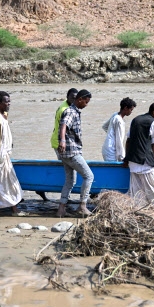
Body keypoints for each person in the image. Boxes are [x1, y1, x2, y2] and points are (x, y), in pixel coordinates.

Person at [56, 89, 93, 217]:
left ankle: (61, 209)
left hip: (67, 153)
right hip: (71, 151)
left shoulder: (73, 111)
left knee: (70, 181)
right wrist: (62, 140)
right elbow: (64, 125)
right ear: (80, 99)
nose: (86, 105)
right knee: (89, 176)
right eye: (86, 102)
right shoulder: (71, 111)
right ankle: (82, 205)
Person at [124, 102, 154, 208]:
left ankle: (140, 207)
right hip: (145, 160)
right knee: (153, 187)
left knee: (137, 188)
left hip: (133, 160)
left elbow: (128, 141)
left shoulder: (135, 119)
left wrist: (126, 158)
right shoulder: (153, 122)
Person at [47, 88, 78, 201]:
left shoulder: (66, 106)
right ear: (67, 97)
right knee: (70, 173)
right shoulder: (65, 109)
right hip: (60, 143)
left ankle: (66, 196)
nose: (74, 100)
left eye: (76, 98)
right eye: (72, 97)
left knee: (68, 171)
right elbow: (63, 129)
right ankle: (65, 198)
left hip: (59, 141)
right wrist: (63, 142)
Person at [102, 97, 136, 161]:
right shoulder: (119, 121)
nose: (131, 112)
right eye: (131, 110)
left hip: (107, 147)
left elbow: (105, 126)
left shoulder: (115, 115)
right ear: (125, 108)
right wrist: (122, 157)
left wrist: (111, 135)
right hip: (111, 150)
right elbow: (119, 141)